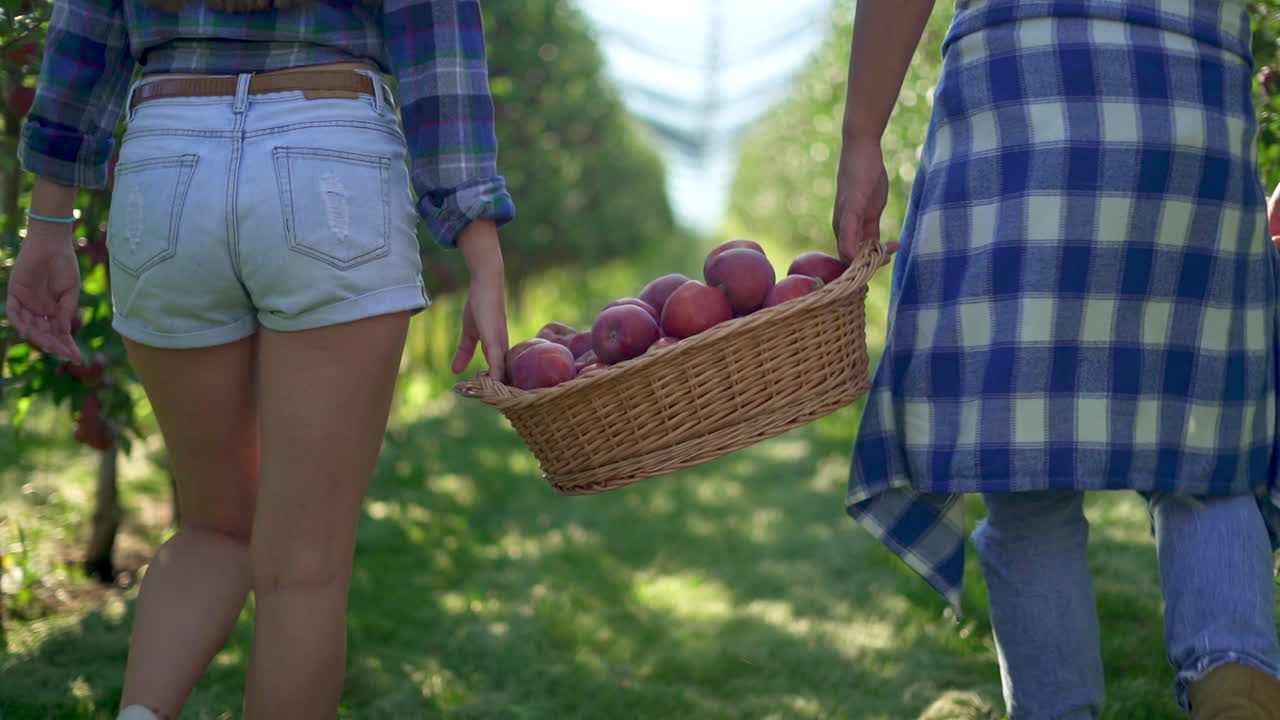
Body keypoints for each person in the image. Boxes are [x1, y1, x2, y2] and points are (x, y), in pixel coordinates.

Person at [4, 0, 512, 717]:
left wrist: (49, 220)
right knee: (303, 565)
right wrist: (481, 251)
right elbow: (437, 38)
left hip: (166, 159)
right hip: (329, 151)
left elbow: (85, 30)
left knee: (214, 524)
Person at [832, 0, 1280, 717]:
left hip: (1019, 98)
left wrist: (862, 137)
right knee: (1210, 452)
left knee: (1024, 472)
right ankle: (1233, 668)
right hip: (1195, 105)